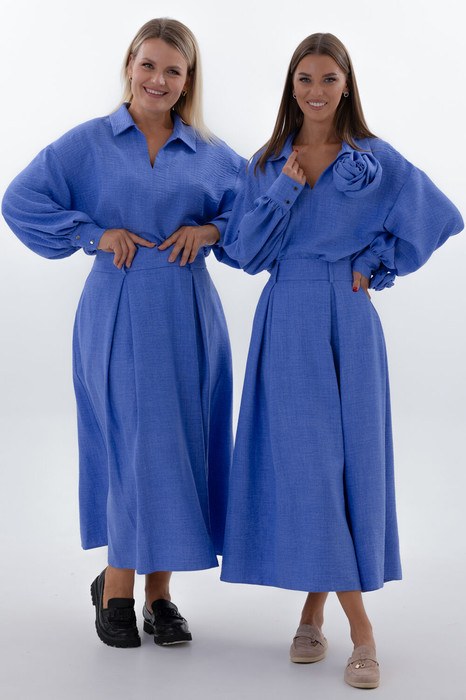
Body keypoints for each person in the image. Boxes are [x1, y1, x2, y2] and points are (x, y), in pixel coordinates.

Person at [219, 32, 463, 688]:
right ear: (291, 85)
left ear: (347, 84)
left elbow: (440, 216)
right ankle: (362, 631)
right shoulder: (267, 162)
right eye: (305, 78)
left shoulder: (374, 160)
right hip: (287, 317)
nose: (316, 90)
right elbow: (243, 254)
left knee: (346, 469)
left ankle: (311, 612)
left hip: (351, 323)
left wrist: (377, 261)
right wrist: (284, 190)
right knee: (311, 469)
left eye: (328, 78)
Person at [2, 18, 244, 649]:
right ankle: (116, 588)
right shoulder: (89, 143)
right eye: (148, 65)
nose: (158, 80)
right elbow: (19, 200)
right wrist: (93, 233)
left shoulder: (209, 152)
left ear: (188, 80)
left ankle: (160, 596)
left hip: (187, 311)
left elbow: (254, 211)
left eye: (173, 70)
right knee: (126, 444)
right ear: (129, 65)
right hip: (116, 305)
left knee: (180, 445)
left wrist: (211, 231)